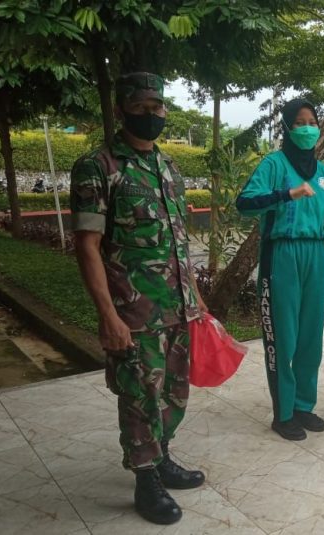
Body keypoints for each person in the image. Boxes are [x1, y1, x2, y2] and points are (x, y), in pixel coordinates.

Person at [70, 72, 207, 525]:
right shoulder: (99, 167)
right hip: (134, 311)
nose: (153, 115)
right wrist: (108, 315)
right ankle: (145, 477)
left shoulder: (168, 167)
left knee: (173, 391)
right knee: (138, 395)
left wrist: (197, 297)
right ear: (121, 109)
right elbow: (88, 246)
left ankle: (163, 457)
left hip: (178, 306)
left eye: (158, 107)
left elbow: (179, 241)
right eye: (143, 106)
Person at [236, 99, 324, 442]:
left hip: (316, 254)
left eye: (312, 121)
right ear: (289, 128)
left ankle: (305, 405)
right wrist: (286, 195)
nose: (307, 128)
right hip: (282, 254)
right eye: (300, 122)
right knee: (283, 335)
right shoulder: (274, 164)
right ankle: (285, 412)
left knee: (311, 336)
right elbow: (244, 202)